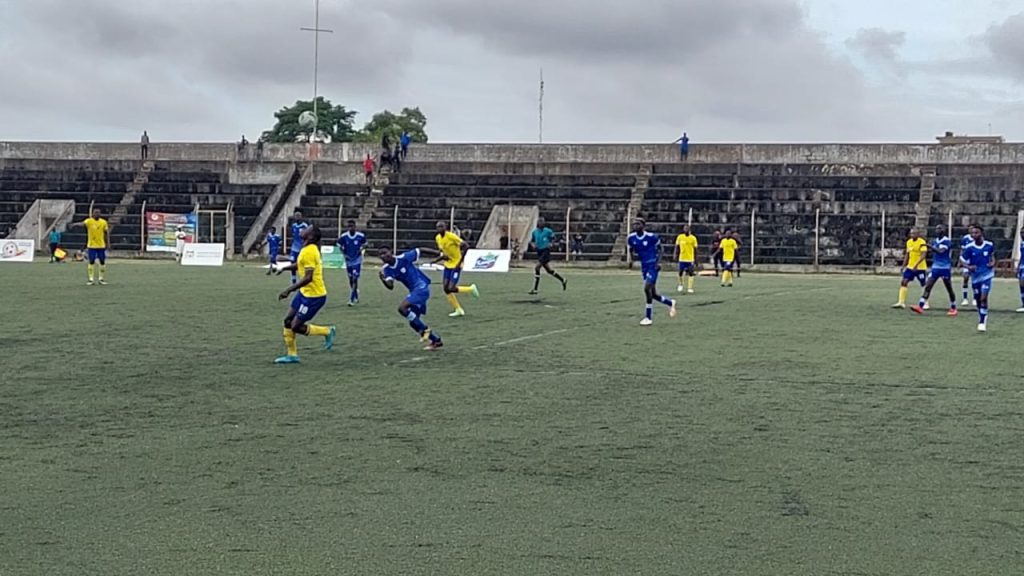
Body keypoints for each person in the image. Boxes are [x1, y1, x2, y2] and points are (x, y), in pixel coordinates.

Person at [273, 225, 336, 363]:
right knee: (288, 321)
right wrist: (284, 268)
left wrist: (289, 290)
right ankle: (292, 355)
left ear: (311, 236)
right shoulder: (307, 249)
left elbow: (308, 278)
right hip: (304, 293)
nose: (303, 229)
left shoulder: (310, 251)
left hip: (314, 296)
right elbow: (299, 265)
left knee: (295, 326)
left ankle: (327, 331)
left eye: (307, 228)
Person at [379, 246, 444, 351]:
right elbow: (390, 286)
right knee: (413, 323)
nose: (383, 256)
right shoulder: (387, 269)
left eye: (385, 253)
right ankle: (436, 340)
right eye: (381, 255)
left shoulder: (404, 258)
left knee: (402, 308)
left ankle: (425, 330)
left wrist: (438, 253)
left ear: (391, 252)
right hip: (414, 291)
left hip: (421, 287)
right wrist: (383, 279)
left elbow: (420, 249)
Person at [627, 219, 677, 326]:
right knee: (653, 294)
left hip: (652, 265)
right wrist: (631, 260)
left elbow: (660, 249)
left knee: (647, 288)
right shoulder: (631, 238)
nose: (635, 226)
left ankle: (648, 317)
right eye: (634, 224)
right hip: (644, 266)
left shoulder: (651, 237)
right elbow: (630, 249)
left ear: (643, 226)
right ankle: (670, 302)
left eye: (638, 224)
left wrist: (658, 262)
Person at [433, 221, 479, 317]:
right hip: (448, 265)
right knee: (446, 289)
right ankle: (458, 309)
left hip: (456, 265)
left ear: (445, 227)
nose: (439, 228)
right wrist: (439, 259)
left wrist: (460, 261)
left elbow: (466, 246)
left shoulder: (451, 236)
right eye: (438, 227)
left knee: (451, 288)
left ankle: (471, 289)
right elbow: (443, 252)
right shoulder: (438, 238)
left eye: (441, 226)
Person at [911, 225, 958, 316]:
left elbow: (941, 251)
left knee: (949, 288)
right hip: (935, 267)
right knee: (928, 286)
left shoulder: (946, 241)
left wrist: (928, 246)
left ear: (944, 230)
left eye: (940, 228)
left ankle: (953, 307)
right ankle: (920, 306)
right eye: (936, 229)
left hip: (944, 268)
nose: (937, 230)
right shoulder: (935, 240)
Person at [959, 225, 995, 332]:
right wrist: (969, 267)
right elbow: (962, 260)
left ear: (981, 233)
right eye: (973, 233)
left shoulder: (989, 245)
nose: (974, 235)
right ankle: (982, 313)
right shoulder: (969, 247)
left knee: (983, 298)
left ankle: (982, 322)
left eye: (976, 233)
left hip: (987, 275)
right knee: (978, 299)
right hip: (975, 277)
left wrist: (992, 263)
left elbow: (992, 257)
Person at [69, 208, 110, 285]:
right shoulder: (89, 221)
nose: (97, 214)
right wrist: (74, 224)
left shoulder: (103, 222)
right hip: (91, 246)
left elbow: (106, 233)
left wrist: (108, 243)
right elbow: (82, 224)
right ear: (93, 214)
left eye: (98, 213)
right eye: (95, 212)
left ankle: (101, 279)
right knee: (91, 261)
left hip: (101, 245)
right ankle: (91, 279)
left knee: (102, 261)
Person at [528, 217, 568, 295]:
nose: (541, 223)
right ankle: (563, 280)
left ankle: (535, 289)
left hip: (545, 251)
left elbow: (554, 238)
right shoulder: (534, 232)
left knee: (537, 267)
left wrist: (551, 244)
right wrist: (533, 245)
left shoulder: (548, 231)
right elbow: (532, 241)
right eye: (540, 222)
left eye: (542, 222)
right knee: (549, 270)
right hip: (539, 251)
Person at [892, 228, 928, 309]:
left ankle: (925, 302)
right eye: (911, 233)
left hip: (920, 267)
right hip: (910, 267)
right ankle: (901, 302)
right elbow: (907, 255)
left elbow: (923, 255)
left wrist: (916, 265)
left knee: (923, 284)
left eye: (914, 233)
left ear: (918, 234)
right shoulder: (909, 242)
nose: (912, 235)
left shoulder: (922, 242)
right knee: (904, 282)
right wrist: (903, 266)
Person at [337, 220, 367, 306]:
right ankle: (356, 295)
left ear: (355, 227)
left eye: (352, 226)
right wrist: (344, 254)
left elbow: (365, 243)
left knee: (354, 278)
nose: (351, 228)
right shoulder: (344, 236)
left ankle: (351, 299)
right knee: (351, 279)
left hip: (357, 260)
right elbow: (338, 244)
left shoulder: (360, 236)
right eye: (349, 226)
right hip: (349, 260)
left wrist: (361, 249)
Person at [674, 224, 698, 293]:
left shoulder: (693, 238)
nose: (686, 230)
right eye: (685, 229)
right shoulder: (680, 237)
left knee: (691, 272)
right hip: (682, 258)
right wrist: (675, 254)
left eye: (687, 229)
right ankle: (680, 284)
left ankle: (690, 287)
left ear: (689, 230)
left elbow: (695, 249)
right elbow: (677, 247)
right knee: (680, 272)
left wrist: (696, 259)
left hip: (690, 259)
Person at [288, 211, 310, 284]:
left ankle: (303, 279)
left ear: (301, 217)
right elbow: (294, 236)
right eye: (296, 216)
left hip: (302, 248)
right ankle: (293, 280)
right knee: (292, 262)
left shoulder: (304, 225)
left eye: (298, 216)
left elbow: (307, 236)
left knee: (302, 263)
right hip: (294, 248)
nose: (297, 217)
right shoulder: (293, 225)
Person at [959, 228, 976, 307]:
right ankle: (965, 299)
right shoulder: (965, 238)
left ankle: (975, 299)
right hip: (966, 261)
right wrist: (960, 261)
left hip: (975, 262)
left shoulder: (978, 238)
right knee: (965, 278)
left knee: (975, 281)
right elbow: (962, 250)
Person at [1017, 228, 1024, 313]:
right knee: (1021, 285)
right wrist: (1018, 266)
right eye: (1021, 232)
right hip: (1022, 266)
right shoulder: (1022, 243)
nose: (1022, 234)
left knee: (1023, 283)